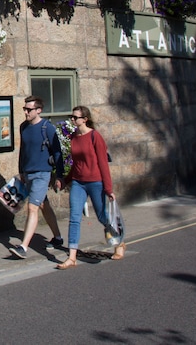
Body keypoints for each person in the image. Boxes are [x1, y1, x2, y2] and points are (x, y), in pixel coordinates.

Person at [55, 105, 125, 269]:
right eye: (71, 117)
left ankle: (119, 242)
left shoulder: (95, 137)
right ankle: (72, 257)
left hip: (95, 182)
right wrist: (66, 179)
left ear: (85, 119)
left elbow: (103, 164)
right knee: (74, 218)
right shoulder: (73, 137)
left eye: (75, 117)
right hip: (78, 183)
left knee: (102, 216)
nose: (72, 120)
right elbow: (75, 164)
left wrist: (108, 189)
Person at [9, 96, 65, 259]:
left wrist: (59, 176)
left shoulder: (47, 128)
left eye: (29, 109)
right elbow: (23, 151)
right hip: (28, 173)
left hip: (42, 173)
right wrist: (21, 171)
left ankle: (23, 247)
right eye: (25, 109)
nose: (26, 112)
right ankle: (58, 238)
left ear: (38, 110)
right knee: (43, 205)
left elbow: (57, 152)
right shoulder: (23, 127)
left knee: (32, 207)